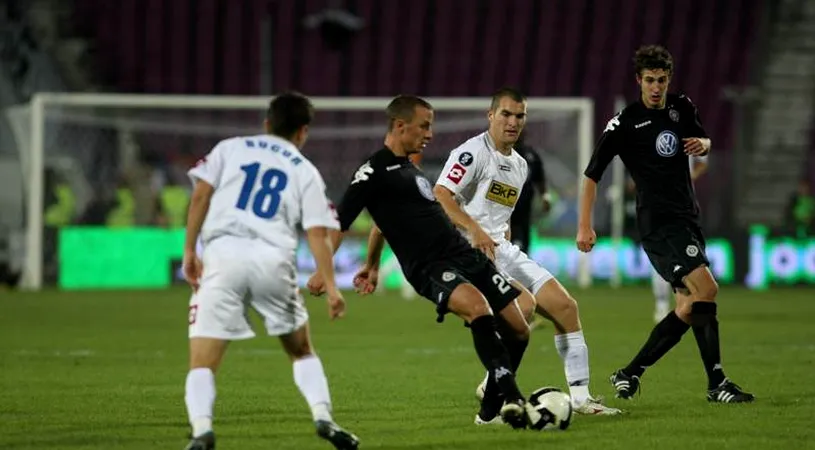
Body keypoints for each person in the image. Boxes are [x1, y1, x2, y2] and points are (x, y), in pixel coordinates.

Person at [307, 95, 548, 430]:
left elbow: (383, 223)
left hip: (464, 255)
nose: (430, 134)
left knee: (519, 329)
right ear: (400, 126)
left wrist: (373, 264)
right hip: (430, 266)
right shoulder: (371, 172)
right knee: (478, 308)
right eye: (424, 126)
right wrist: (324, 272)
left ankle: (491, 412)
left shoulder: (409, 168)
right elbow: (340, 224)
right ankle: (513, 400)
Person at [181, 92, 360, 450]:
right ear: (302, 132)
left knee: (202, 361)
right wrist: (332, 286)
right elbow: (317, 233)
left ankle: (202, 431)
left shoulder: (229, 148)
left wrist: (189, 250)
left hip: (222, 256)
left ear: (266, 123)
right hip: (272, 260)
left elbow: (200, 195)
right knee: (301, 349)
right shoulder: (304, 169)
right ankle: (324, 418)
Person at [577, 45, 754, 403]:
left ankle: (629, 372)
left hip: (688, 216)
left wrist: (701, 143)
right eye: (649, 80)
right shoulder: (624, 124)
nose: (656, 87)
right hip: (659, 224)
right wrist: (585, 225)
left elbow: (704, 142)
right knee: (708, 289)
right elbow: (592, 176)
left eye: (661, 80)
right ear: (638, 81)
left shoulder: (682, 107)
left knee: (689, 307)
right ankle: (717, 383)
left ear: (668, 79)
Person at [432, 87, 620, 416]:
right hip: (469, 250)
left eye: (520, 116)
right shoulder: (472, 152)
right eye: (505, 114)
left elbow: (498, 216)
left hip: (502, 247)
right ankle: (495, 385)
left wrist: (496, 232)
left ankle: (581, 399)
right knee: (523, 309)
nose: (513, 121)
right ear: (491, 116)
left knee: (565, 307)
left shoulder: (519, 165)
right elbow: (441, 194)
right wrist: (474, 230)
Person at [639, 154, 709, 323]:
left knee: (690, 257)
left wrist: (688, 178)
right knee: (663, 258)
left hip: (685, 206)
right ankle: (662, 303)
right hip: (660, 206)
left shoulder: (688, 132)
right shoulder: (652, 135)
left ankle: (689, 302)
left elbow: (702, 163)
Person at [509, 130, 551, 254]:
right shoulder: (499, 153)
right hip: (503, 209)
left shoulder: (531, 155)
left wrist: (545, 197)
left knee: (523, 244)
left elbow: (540, 179)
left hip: (524, 209)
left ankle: (521, 268)